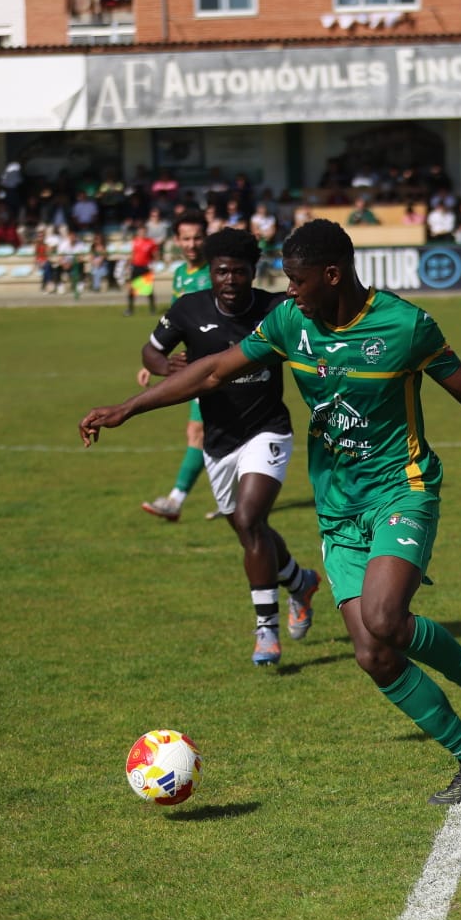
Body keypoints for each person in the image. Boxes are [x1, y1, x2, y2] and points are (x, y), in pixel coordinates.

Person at [80, 219, 461, 803]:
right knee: (372, 654)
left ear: (332, 274)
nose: (288, 291)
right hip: (337, 507)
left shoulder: (405, 325)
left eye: (296, 281)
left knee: (385, 618)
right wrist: (128, 407)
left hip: (402, 488)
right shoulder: (289, 323)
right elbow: (214, 369)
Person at [131, 228, 323, 665]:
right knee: (247, 530)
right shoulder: (188, 309)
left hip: (268, 430)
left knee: (252, 519)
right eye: (222, 272)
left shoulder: (276, 307)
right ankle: (300, 581)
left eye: (239, 271)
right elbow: (151, 350)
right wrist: (164, 367)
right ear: (211, 273)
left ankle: (265, 631)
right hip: (218, 441)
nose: (231, 280)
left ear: (253, 272)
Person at [140, 211, 215, 522]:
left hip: (214, 365)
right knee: (207, 432)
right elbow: (175, 323)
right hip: (194, 364)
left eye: (197, 237)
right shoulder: (181, 275)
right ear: (176, 241)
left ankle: (175, 500)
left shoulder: (215, 273)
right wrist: (155, 361)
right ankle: (236, 499)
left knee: (198, 431)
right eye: (185, 238)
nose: (192, 244)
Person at [125, 227, 160, 316]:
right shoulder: (135, 241)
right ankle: (130, 309)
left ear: (146, 232)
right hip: (135, 267)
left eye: (144, 232)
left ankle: (152, 310)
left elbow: (156, 254)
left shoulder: (150, 242)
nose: (142, 234)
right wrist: (128, 266)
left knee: (148, 290)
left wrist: (153, 265)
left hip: (145, 268)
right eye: (140, 232)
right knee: (132, 289)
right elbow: (132, 254)